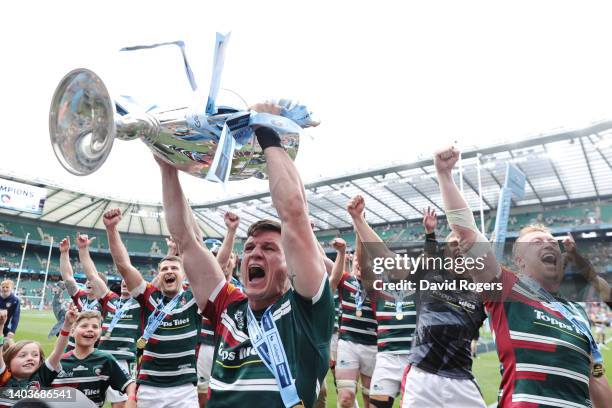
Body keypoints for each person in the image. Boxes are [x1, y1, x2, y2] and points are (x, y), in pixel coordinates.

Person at [157, 101, 333, 408]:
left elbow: (294, 214)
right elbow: (185, 240)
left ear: (290, 261)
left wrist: (264, 129)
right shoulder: (228, 307)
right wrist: (167, 165)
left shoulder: (307, 311)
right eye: (249, 247)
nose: (254, 253)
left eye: (268, 248)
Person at [433, 146, 612, 408]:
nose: (549, 243)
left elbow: (597, 379)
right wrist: (445, 176)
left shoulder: (578, 312)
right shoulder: (507, 289)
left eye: (552, 241)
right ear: (519, 260)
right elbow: (468, 235)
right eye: (537, 241)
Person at [350, 198, 487, 408]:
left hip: (462, 380)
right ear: (444, 253)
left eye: (465, 243)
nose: (459, 247)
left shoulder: (483, 290)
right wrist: (358, 219)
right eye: (453, 243)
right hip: (422, 377)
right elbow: (385, 256)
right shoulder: (428, 275)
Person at [103, 208, 201, 408]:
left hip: (184, 388)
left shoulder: (194, 298)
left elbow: (203, 259)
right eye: (164, 269)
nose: (169, 271)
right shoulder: (149, 297)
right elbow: (124, 266)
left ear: (183, 275)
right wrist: (112, 229)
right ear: (159, 275)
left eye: (174, 268)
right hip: (149, 387)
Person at [329, 231, 377, 408]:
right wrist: (341, 253)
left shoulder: (378, 285)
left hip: (373, 346)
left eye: (363, 260)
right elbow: (328, 272)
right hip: (348, 343)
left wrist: (358, 225)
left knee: (370, 401)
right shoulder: (346, 280)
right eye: (356, 259)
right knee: (345, 398)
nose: (359, 263)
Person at [51, 310, 136, 407]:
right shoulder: (60, 362)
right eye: (84, 326)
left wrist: (131, 398)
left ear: (99, 333)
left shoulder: (106, 360)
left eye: (95, 327)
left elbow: (129, 384)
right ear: (73, 331)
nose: (90, 329)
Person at [0, 306, 76, 407]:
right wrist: (1, 326)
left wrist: (67, 325)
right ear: (8, 363)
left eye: (35, 355)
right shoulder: (4, 377)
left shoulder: (42, 376)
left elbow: (58, 352)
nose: (30, 358)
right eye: (22, 355)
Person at [58, 235, 108, 350]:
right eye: (87, 280)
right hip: (73, 345)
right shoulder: (80, 297)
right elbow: (68, 278)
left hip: (94, 347)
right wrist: (64, 253)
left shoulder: (106, 302)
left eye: (92, 281)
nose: (89, 283)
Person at [0, 280, 20, 345]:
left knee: (9, 347)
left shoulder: (15, 300)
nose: (5, 289)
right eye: (3, 287)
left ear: (11, 288)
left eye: (7, 287)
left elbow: (16, 316)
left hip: (5, 328)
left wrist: (12, 331)